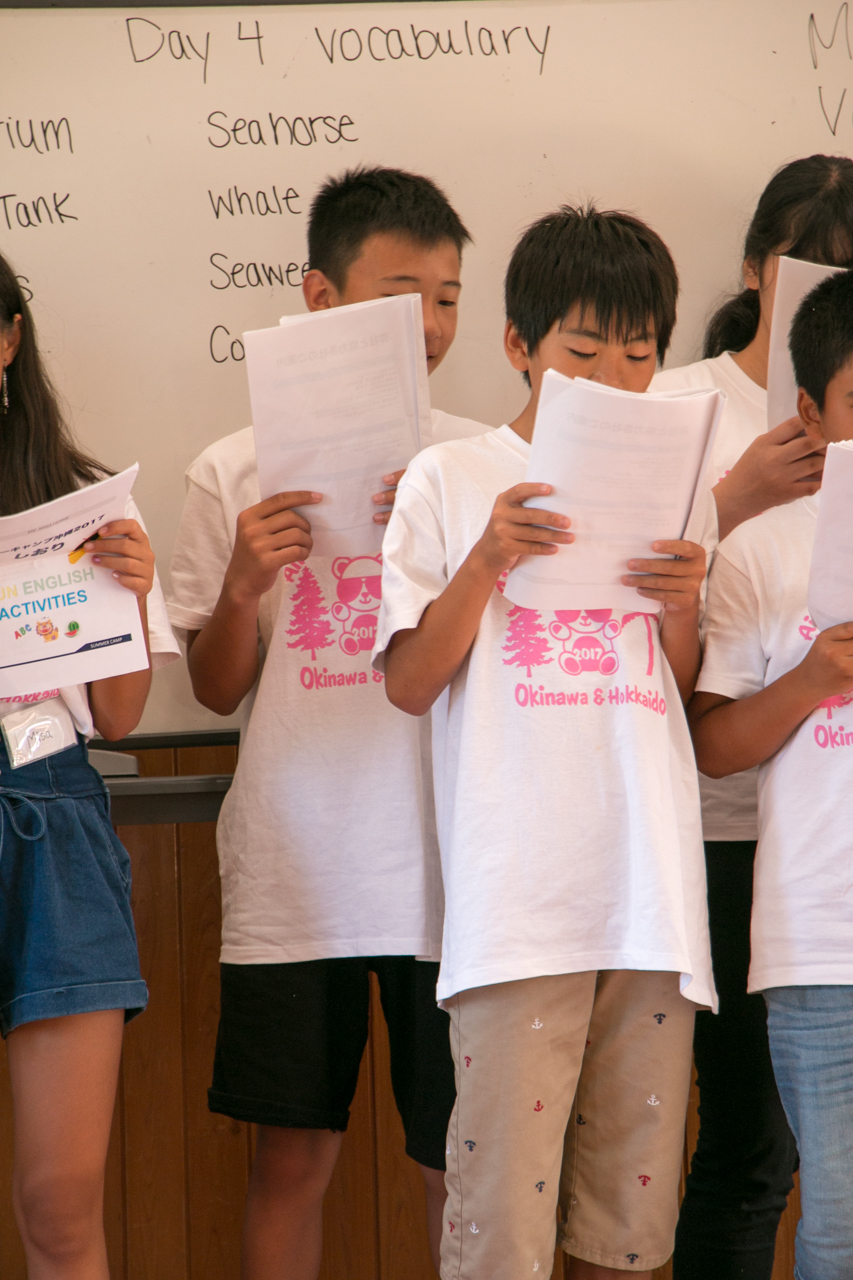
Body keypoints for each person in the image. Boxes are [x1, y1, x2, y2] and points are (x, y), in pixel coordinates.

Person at [375, 204, 715, 1280]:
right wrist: (485, 562)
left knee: (629, 1230)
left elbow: (683, 685)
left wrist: (681, 604)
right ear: (520, 347)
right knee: (499, 1237)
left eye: (639, 352)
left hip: (649, 891)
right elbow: (408, 680)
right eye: (582, 351)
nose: (615, 377)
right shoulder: (452, 477)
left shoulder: (680, 475)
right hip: (520, 898)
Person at [167, 166, 486, 1280]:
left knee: (464, 1164)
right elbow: (213, 689)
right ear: (318, 294)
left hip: (450, 863)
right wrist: (247, 584)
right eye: (406, 292)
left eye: (449, 295)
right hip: (296, 864)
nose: (435, 323)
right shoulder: (233, 466)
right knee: (291, 1162)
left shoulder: (476, 457)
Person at [653, 154, 853, 1280]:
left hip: (799, 831)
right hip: (731, 840)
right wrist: (735, 497)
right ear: (752, 269)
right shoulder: (681, 403)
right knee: (751, 1149)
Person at [0, 252, 179, 1279]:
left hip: (53, 819)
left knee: (60, 1202)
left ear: (10, 339)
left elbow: (116, 715)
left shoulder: (82, 502)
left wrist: (136, 599)